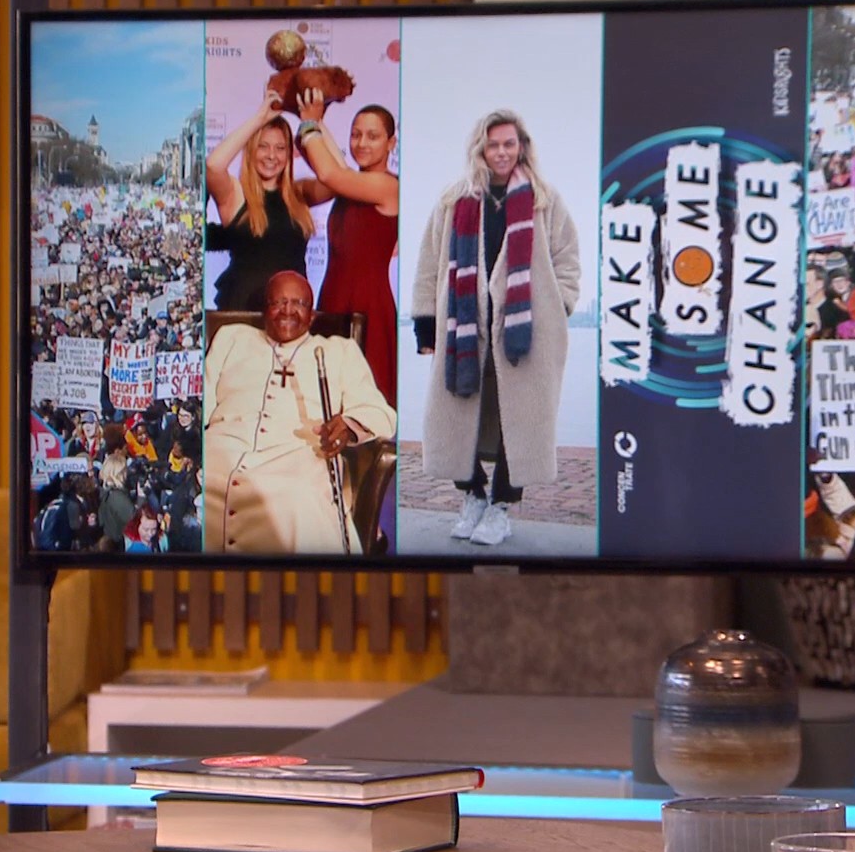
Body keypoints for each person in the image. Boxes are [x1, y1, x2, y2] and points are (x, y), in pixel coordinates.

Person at [409, 109, 580, 547]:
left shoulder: (544, 200)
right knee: (451, 414)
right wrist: (425, 326)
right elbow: (428, 263)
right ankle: (473, 496)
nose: (501, 152)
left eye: (509, 144)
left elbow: (567, 260)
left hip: (527, 332)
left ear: (521, 147)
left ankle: (501, 506)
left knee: (519, 419)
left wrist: (557, 306)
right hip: (463, 327)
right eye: (493, 144)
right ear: (480, 149)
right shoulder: (454, 200)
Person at [203, 271, 396, 553]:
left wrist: (347, 425)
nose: (287, 311)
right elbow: (201, 399)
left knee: (297, 497)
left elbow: (379, 411)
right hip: (221, 449)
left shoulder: (339, 351)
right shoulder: (231, 338)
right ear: (265, 308)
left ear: (312, 315)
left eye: (299, 303)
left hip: (300, 455)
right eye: (278, 302)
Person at [293, 90, 401, 406]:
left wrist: (310, 122)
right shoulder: (352, 182)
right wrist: (316, 120)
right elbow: (333, 167)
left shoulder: (388, 185)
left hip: (368, 307)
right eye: (355, 135)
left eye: (373, 136)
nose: (362, 143)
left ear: (391, 143)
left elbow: (329, 172)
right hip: (332, 299)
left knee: (363, 403)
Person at [204, 85, 330, 312]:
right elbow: (213, 165)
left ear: (289, 154)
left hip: (291, 314)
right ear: (251, 150)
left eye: (280, 148)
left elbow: (334, 178)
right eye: (263, 146)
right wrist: (259, 119)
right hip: (244, 311)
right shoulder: (236, 193)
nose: (272, 156)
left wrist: (314, 122)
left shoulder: (299, 193)